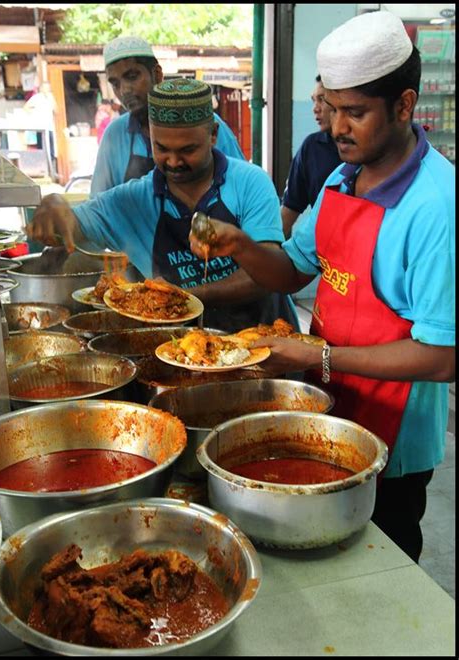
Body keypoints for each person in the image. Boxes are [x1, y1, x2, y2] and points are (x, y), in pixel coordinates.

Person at [189, 11, 455, 562]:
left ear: (404, 106)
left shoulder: (438, 207)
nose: (336, 128)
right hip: (331, 402)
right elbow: (293, 268)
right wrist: (239, 244)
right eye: (332, 109)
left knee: (381, 555)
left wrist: (320, 353)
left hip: (394, 432)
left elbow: (441, 355)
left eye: (355, 113)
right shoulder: (342, 178)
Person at [27, 78, 298, 334]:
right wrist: (54, 203)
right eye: (162, 148)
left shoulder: (250, 183)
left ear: (213, 135)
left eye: (187, 150)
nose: (173, 161)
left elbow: (264, 277)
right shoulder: (133, 201)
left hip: (264, 342)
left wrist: (185, 298)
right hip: (180, 351)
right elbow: (74, 222)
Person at [90, 36, 245, 197]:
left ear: (157, 74)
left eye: (132, 76)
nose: (124, 90)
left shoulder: (203, 123)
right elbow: (98, 203)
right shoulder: (114, 136)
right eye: (115, 83)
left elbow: (241, 190)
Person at [281, 75, 342, 239]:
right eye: (314, 100)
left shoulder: (366, 150)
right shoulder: (311, 148)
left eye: (322, 99)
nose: (315, 108)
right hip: (322, 252)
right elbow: (289, 209)